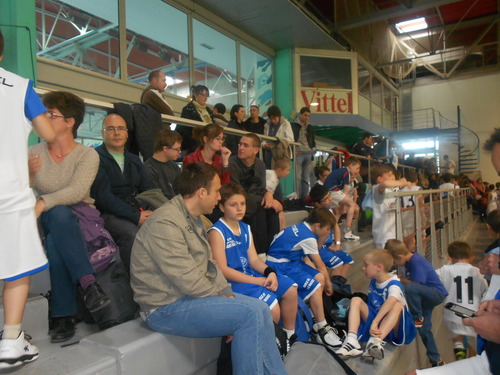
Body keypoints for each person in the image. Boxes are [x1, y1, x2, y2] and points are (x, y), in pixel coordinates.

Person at [130, 162, 287, 375]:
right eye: (216, 192)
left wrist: (228, 296)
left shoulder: (193, 218)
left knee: (260, 308)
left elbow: (210, 266)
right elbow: (189, 280)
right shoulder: (165, 223)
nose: (219, 198)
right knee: (249, 314)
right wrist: (227, 306)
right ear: (202, 193)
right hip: (164, 307)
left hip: (188, 298)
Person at [29, 91, 110, 343]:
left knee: (58, 232)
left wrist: (43, 201)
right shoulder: (33, 152)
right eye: (42, 114)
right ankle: (88, 284)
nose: (43, 119)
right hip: (43, 219)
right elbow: (20, 190)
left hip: (80, 218)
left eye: (50, 114)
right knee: (58, 216)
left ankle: (62, 315)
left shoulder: (87, 154)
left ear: (70, 122)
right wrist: (30, 177)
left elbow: (77, 191)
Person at [0, 29, 56, 369]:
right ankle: (10, 341)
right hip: (10, 195)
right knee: (16, 269)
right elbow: (48, 134)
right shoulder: (19, 86)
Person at [208, 183, 298, 344]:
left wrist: (269, 272)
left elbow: (254, 260)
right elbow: (222, 270)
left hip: (250, 275)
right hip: (234, 282)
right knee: (272, 308)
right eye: (233, 205)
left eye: (242, 204)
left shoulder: (245, 228)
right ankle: (269, 345)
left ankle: (288, 336)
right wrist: (257, 281)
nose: (239, 209)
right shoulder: (217, 232)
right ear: (222, 207)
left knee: (291, 289)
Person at [266, 208, 343, 349]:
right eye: (327, 229)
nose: (328, 233)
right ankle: (322, 328)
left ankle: (315, 318)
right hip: (280, 265)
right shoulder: (308, 237)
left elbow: (308, 260)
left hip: (290, 261)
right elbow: (320, 265)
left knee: (319, 278)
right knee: (317, 285)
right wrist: (329, 284)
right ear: (318, 226)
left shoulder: (302, 228)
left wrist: (319, 277)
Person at [91, 113, 156, 271]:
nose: (116, 133)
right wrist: (135, 216)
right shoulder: (95, 157)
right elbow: (103, 198)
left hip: (134, 208)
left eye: (121, 128)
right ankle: (137, 286)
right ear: (103, 133)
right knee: (131, 234)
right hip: (106, 213)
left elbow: (148, 188)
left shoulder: (134, 159)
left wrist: (154, 211)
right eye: (111, 129)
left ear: (127, 133)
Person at [336, 249, 416, 360]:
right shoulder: (375, 280)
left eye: (366, 265)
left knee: (397, 305)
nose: (363, 268)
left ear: (379, 267)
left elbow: (391, 301)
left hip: (395, 326)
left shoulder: (394, 283)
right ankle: (352, 340)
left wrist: (375, 321)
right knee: (356, 300)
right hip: (376, 323)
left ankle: (374, 342)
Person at [387, 239, 448, 367]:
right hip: (425, 297)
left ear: (399, 257)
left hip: (435, 294)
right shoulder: (409, 261)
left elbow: (416, 284)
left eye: (395, 262)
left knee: (409, 288)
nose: (396, 264)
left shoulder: (416, 262)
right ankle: (436, 359)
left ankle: (416, 316)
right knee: (425, 330)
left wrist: (398, 279)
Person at [229, 133, 281, 254]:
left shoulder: (260, 165)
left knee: (273, 211)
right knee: (260, 210)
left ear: (256, 150)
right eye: (240, 144)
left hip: (254, 200)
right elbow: (235, 191)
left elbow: (260, 188)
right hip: (238, 201)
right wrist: (264, 197)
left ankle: (273, 251)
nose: (241, 148)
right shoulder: (232, 163)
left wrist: (268, 194)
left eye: (245, 145)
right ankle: (259, 253)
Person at [435, 241, 488, 361]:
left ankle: (459, 347)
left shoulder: (445, 270)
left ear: (450, 258)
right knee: (473, 339)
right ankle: (470, 360)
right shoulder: (477, 272)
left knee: (456, 332)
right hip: (471, 313)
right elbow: (485, 291)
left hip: (452, 311)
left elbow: (431, 279)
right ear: (471, 258)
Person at [308, 185, 353, 292]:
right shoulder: (316, 215)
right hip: (319, 248)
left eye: (330, 196)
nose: (330, 199)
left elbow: (335, 226)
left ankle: (339, 289)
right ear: (317, 203)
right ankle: (333, 292)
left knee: (348, 259)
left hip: (328, 246)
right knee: (337, 263)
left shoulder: (328, 209)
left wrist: (337, 243)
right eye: (326, 199)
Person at [370, 164, 409, 248]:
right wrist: (401, 182)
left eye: (393, 175)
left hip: (394, 233)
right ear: (379, 179)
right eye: (390, 175)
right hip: (383, 236)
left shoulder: (392, 190)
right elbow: (385, 183)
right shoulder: (377, 189)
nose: (393, 177)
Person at [323, 157, 362, 241]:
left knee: (339, 211)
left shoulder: (341, 171)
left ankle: (332, 233)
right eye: (357, 168)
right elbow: (345, 191)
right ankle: (347, 231)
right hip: (332, 191)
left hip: (328, 192)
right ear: (351, 166)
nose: (358, 171)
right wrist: (349, 202)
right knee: (351, 204)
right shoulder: (346, 173)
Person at [143, 129, 183, 200]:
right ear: (165, 148)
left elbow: (180, 191)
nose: (179, 152)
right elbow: (155, 198)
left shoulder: (174, 166)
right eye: (177, 149)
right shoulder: (148, 169)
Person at [291, 107, 316, 199]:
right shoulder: (293, 125)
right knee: (297, 177)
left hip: (308, 153)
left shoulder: (309, 126)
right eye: (305, 115)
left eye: (308, 116)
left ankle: (304, 198)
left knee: (305, 178)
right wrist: (294, 150)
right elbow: (291, 138)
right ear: (300, 114)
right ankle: (297, 198)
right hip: (298, 152)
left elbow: (312, 139)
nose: (307, 117)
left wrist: (313, 148)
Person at [180, 85, 213, 154]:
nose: (206, 98)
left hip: (209, 144)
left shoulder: (208, 111)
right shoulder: (188, 109)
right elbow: (184, 130)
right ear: (195, 95)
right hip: (195, 146)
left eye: (207, 95)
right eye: (203, 95)